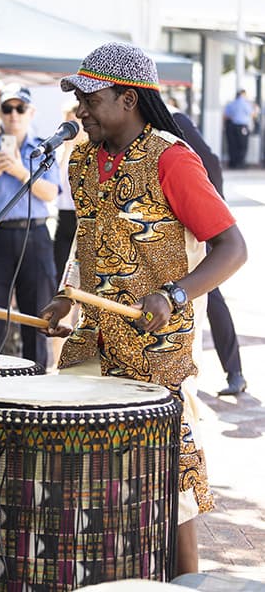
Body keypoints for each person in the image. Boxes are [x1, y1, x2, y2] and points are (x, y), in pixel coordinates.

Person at [40, 42, 248, 576]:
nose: (79, 111)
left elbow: (233, 247)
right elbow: (85, 238)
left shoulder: (172, 158)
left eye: (90, 99)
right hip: (95, 338)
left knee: (170, 477)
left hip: (160, 349)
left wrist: (174, 294)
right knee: (77, 455)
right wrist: (68, 292)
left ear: (128, 99)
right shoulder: (82, 159)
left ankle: (183, 581)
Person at [0, 84, 59, 368]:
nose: (14, 115)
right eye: (7, 108)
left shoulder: (43, 148)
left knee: (37, 319)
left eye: (20, 108)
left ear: (31, 112)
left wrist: (19, 171)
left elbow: (51, 193)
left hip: (35, 234)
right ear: (0, 113)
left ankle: (35, 394)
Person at [168, 107, 248, 396]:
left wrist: (210, 211)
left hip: (199, 225)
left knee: (210, 293)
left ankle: (234, 372)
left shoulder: (173, 119)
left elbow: (210, 161)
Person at [53, 100, 87, 283]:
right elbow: (56, 184)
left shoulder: (89, 153)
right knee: (60, 270)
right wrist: (67, 150)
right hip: (64, 214)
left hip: (82, 217)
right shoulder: (61, 154)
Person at [223, 89, 255, 169]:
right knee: (243, 145)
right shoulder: (245, 104)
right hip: (242, 126)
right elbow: (252, 114)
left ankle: (233, 163)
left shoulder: (231, 104)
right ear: (243, 94)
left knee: (233, 145)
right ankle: (240, 164)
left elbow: (226, 116)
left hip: (233, 126)